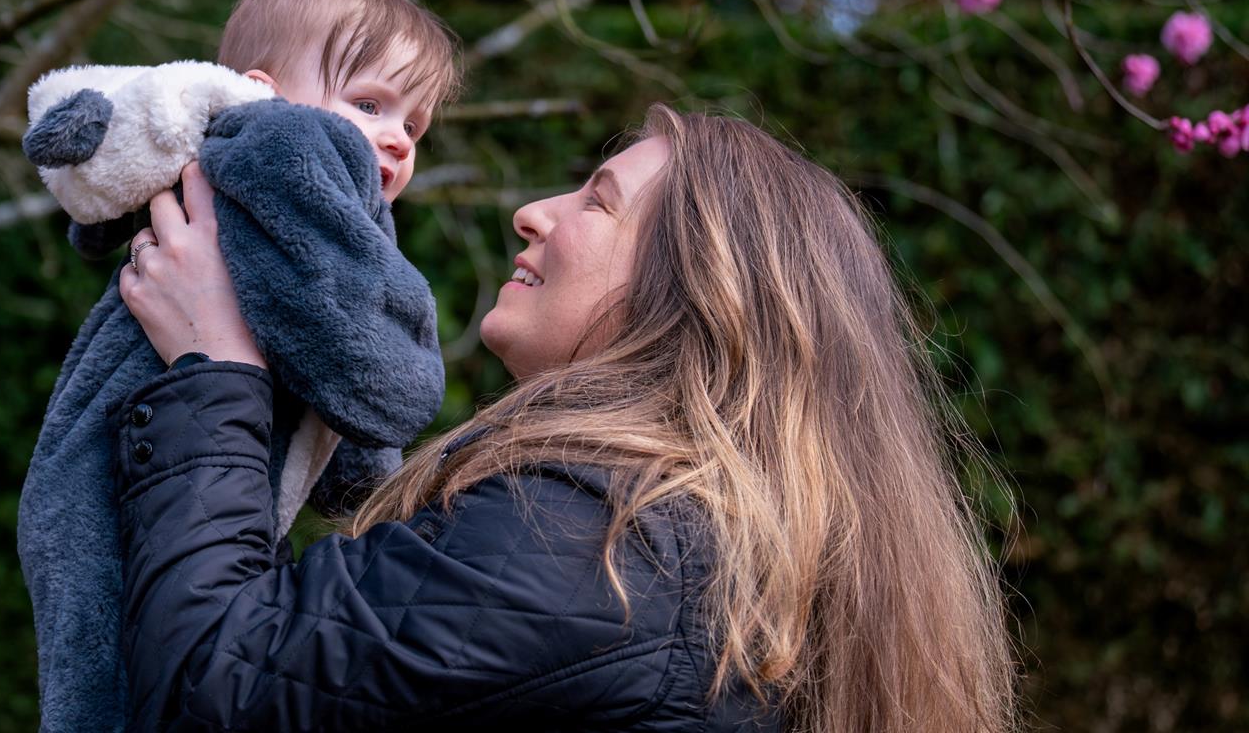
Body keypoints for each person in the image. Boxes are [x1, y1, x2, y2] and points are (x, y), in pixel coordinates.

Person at [115, 104, 1018, 732]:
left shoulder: (592, 543)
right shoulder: (686, 547)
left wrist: (216, 368)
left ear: (700, 295)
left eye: (598, 201)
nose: (534, 211)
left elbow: (210, 688)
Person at [16, 0, 463, 732]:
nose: (396, 139)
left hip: (162, 468)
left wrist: (366, 479)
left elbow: (322, 339)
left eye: (413, 122)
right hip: (123, 466)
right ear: (263, 92)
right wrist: (400, 400)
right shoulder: (281, 145)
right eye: (369, 104)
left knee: (119, 668)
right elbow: (368, 368)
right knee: (113, 682)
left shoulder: (324, 198)